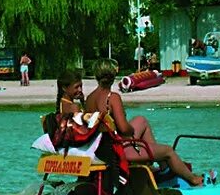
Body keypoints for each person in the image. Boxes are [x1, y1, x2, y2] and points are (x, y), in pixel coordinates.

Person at [84, 58, 203, 186]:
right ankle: (193, 179)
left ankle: (163, 167)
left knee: (141, 120)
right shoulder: (112, 98)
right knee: (168, 151)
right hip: (116, 149)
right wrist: (131, 130)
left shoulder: (89, 98)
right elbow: (124, 129)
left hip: (100, 146)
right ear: (113, 76)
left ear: (97, 76)